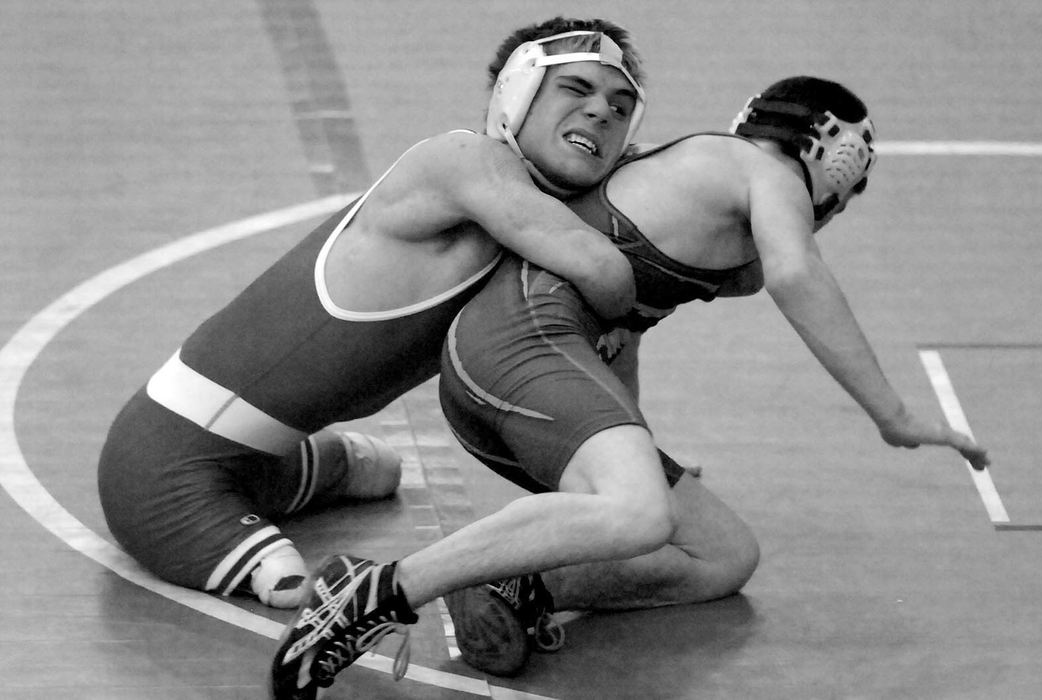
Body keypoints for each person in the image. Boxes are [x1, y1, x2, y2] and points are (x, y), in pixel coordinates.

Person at [269, 76, 990, 695]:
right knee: (640, 516)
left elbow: (627, 327)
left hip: (517, 368)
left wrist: (629, 442)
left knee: (720, 556)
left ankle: (512, 584)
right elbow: (798, 275)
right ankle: (376, 590)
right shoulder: (758, 173)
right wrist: (891, 415)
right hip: (517, 346)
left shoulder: (709, 191)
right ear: (833, 158)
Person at [97, 16, 646, 611]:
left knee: (380, 471)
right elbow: (609, 277)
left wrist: (635, 456)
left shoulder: (537, 220)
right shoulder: (464, 162)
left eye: (620, 108)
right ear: (516, 92)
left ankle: (291, 477)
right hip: (158, 471)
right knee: (289, 587)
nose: (600, 113)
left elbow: (602, 361)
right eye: (575, 89)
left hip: (267, 458)